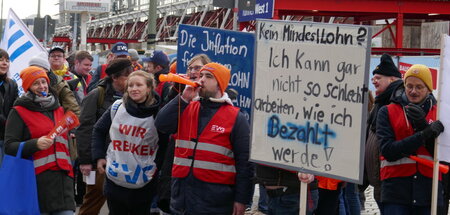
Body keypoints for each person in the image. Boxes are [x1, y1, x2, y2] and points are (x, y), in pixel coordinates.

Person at [155, 63, 254, 215]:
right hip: (181, 200)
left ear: (220, 84)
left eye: (208, 77)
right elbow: (161, 124)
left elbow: (245, 165)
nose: (201, 80)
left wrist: (241, 200)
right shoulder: (187, 106)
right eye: (201, 76)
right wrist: (183, 98)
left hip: (215, 203)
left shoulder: (236, 118)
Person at [4, 66, 74, 214]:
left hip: (63, 181)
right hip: (36, 183)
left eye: (44, 82)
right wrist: (34, 144)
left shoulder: (59, 109)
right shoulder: (18, 111)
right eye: (36, 83)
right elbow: (9, 146)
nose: (42, 86)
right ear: (28, 87)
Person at [377, 64, 445, 214]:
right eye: (409, 86)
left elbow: (443, 156)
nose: (413, 91)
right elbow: (388, 151)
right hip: (396, 191)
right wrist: (424, 134)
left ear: (429, 89)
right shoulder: (387, 111)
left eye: (419, 87)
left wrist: (423, 127)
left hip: (429, 191)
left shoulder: (440, 114)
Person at [92, 71, 161, 215]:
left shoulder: (158, 113)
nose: (134, 88)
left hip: (144, 181)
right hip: (116, 178)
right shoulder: (118, 107)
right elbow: (98, 130)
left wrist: (157, 167)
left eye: (139, 85)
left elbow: (165, 145)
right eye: (130, 85)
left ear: (149, 88)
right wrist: (99, 157)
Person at [76, 58, 133, 215]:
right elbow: (84, 129)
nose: (131, 80)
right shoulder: (97, 95)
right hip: (98, 162)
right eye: (127, 76)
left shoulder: (131, 97)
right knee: (93, 200)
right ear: (114, 78)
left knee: (118, 203)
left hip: (122, 160)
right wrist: (86, 161)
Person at [363, 53, 403, 213]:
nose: (374, 81)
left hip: (390, 181)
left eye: (378, 77)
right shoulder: (381, 101)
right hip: (379, 180)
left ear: (392, 79)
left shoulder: (397, 100)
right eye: (373, 78)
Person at [29, 52, 81, 116]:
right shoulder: (28, 84)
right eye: (31, 69)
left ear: (47, 71)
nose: (34, 73)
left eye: (38, 70)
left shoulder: (60, 86)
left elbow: (74, 112)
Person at [0, 49, 18, 167]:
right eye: (0, 60)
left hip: (6, 136)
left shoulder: (12, 84)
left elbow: (16, 107)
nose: (4, 63)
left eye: (7, 60)